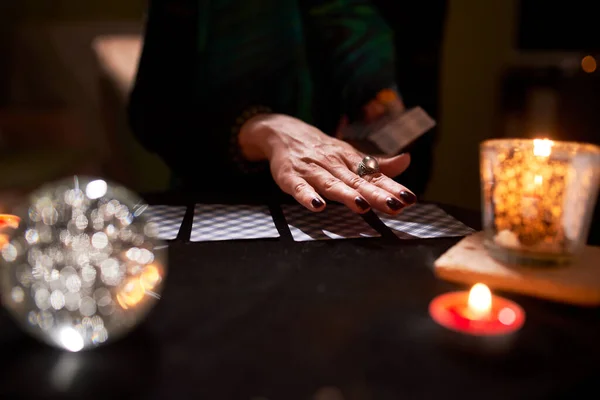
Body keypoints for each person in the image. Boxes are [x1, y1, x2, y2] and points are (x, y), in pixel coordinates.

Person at [129, 0, 420, 214]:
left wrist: (383, 120)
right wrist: (264, 129)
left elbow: (418, 115)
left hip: (350, 214)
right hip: (219, 209)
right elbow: (152, 116)